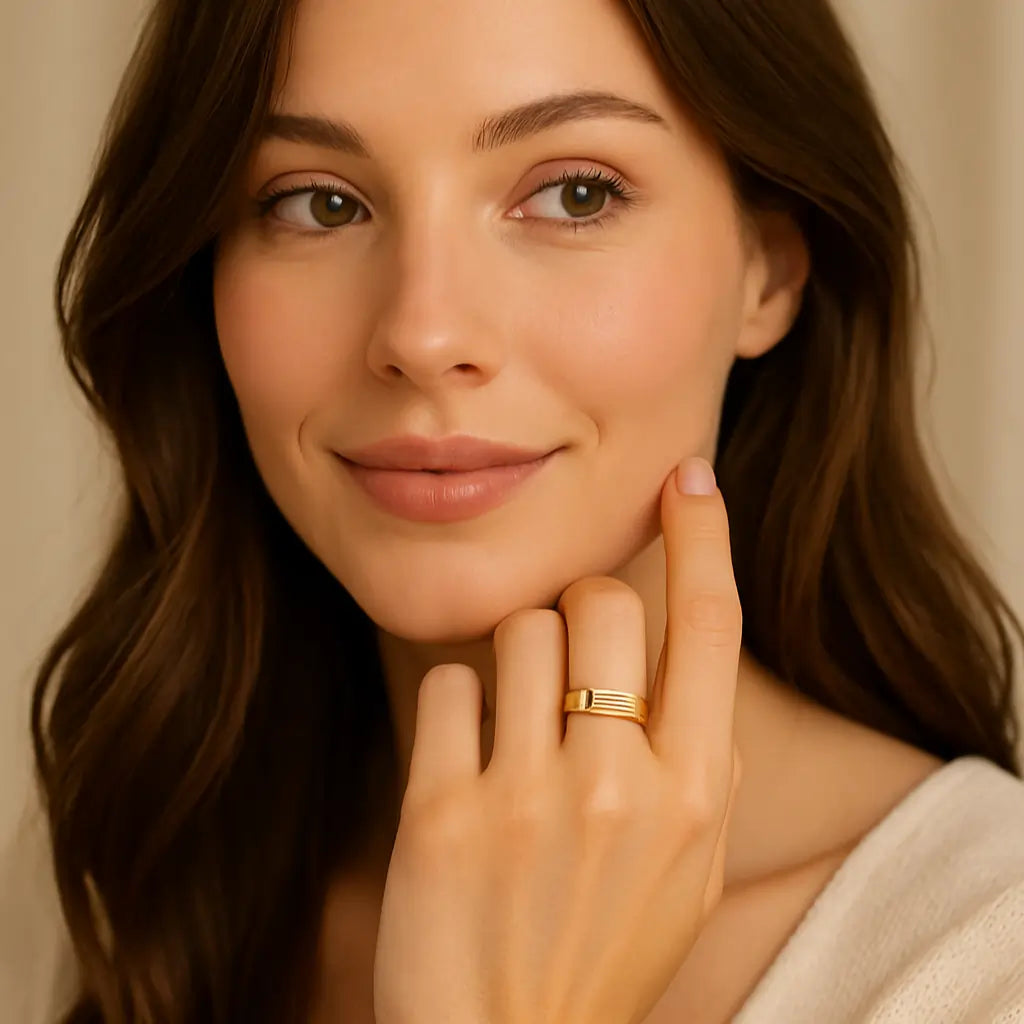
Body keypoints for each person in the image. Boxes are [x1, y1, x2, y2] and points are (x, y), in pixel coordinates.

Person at [21, 0, 1024, 1020]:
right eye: (318, 204)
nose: (422, 330)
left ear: (768, 265)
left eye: (574, 194)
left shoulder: (988, 957)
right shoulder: (113, 885)